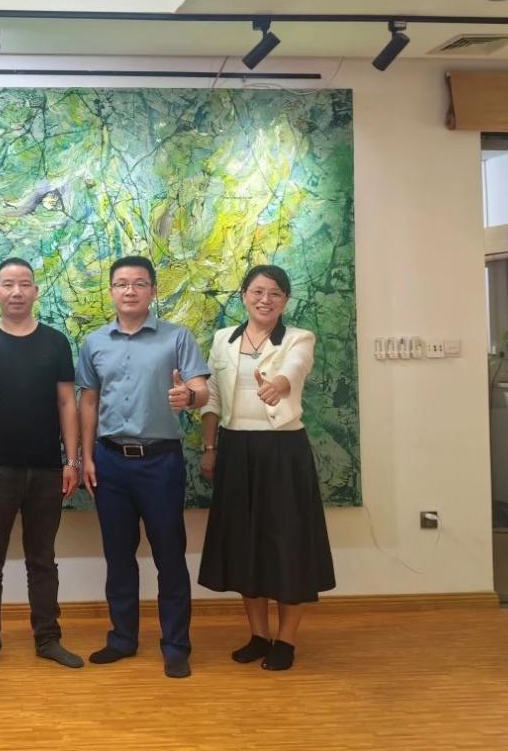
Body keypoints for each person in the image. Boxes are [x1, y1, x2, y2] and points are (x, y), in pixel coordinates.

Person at [197, 264, 335, 671]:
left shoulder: (298, 338)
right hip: (235, 448)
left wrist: (279, 385)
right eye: (258, 291)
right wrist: (210, 447)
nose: (265, 299)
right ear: (244, 295)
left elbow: (296, 368)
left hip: (283, 451)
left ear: (285, 300)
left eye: (275, 293)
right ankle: (258, 634)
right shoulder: (223, 339)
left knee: (287, 545)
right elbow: (213, 398)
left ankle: (286, 640)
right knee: (244, 544)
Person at [76, 254, 209, 679]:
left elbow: (201, 389)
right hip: (111, 462)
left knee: (169, 555)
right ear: (111, 291)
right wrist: (85, 457)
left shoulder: (177, 337)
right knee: (118, 555)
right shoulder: (94, 343)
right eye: (121, 284)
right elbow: (89, 401)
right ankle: (122, 639)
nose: (130, 291)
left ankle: (176, 646)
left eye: (138, 283)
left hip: (160, 462)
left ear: (153, 290)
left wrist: (189, 397)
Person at [0, 257, 82, 675]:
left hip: (47, 469)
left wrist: (72, 460)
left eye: (24, 284)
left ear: (35, 291)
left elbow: (67, 402)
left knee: (43, 561)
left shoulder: (56, 342)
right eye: (8, 284)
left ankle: (48, 639)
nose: (16, 292)